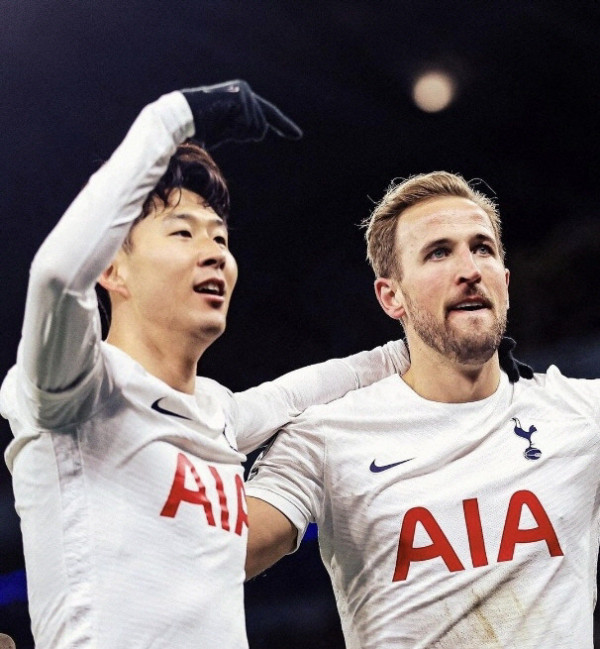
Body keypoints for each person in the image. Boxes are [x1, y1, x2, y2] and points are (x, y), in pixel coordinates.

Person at [0, 80, 411, 649]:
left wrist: (421, 350)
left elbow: (299, 393)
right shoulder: (77, 390)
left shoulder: (216, 412)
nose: (215, 251)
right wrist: (175, 116)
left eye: (220, 237)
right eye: (183, 232)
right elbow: (55, 277)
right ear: (111, 269)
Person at [244, 171, 596, 649]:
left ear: (505, 282)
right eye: (438, 252)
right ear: (392, 297)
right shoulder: (327, 436)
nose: (470, 269)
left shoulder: (581, 412)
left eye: (483, 249)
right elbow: (214, 554)